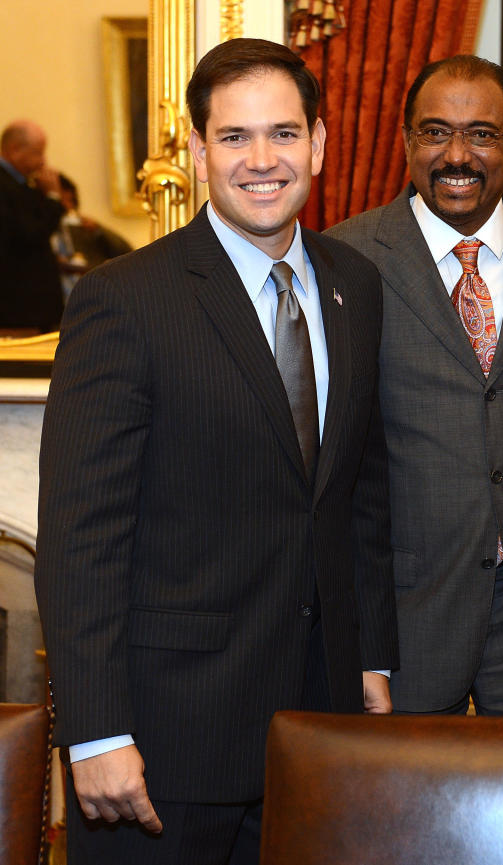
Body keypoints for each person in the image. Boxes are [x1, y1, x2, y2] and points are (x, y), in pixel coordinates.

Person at [34, 38, 397, 865]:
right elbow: (80, 539)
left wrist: (373, 656)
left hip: (320, 730)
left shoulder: (354, 285)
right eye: (234, 137)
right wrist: (94, 733)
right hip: (167, 746)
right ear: (198, 152)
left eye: (283, 133)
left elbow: (357, 493)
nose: (262, 160)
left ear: (321, 142)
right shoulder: (124, 301)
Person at [326, 55, 503, 717]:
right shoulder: (346, 255)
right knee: (406, 819)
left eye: (481, 134)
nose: (457, 154)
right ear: (404, 141)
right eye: (434, 132)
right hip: (409, 608)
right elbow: (336, 459)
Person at [0, 119, 65, 332]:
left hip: (28, 306)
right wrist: (53, 199)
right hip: (19, 307)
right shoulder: (6, 185)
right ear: (14, 149)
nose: (42, 162)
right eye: (37, 153)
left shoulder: (20, 183)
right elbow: (30, 234)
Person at [52, 174, 133, 299]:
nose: (66, 205)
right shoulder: (44, 230)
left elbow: (125, 251)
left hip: (92, 292)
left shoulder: (85, 227)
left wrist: (98, 230)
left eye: (70, 201)